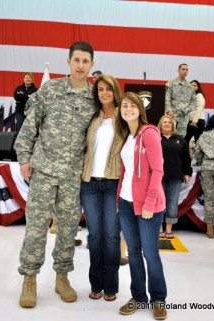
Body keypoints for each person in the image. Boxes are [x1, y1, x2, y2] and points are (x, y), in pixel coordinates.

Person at [14, 41, 95, 308]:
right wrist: (24, 157)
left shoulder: (94, 97)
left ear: (91, 64)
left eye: (86, 61)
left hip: (73, 176)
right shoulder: (51, 90)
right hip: (45, 170)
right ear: (69, 62)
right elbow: (30, 124)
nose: (81, 65)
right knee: (37, 226)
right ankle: (30, 278)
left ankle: (62, 276)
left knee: (68, 228)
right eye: (77, 60)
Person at [116, 92, 167, 320]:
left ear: (140, 108)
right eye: (124, 105)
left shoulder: (150, 133)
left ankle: (158, 299)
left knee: (150, 253)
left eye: (131, 105)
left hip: (149, 205)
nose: (127, 109)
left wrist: (149, 201)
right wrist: (119, 199)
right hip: (126, 203)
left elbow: (158, 171)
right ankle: (138, 297)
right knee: (133, 253)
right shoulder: (127, 135)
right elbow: (126, 171)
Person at [81, 74, 123, 302]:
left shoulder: (123, 117)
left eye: (108, 89)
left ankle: (111, 286)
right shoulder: (93, 118)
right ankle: (96, 283)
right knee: (95, 236)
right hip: (88, 183)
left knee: (111, 236)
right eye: (100, 90)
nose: (104, 93)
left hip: (112, 182)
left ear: (115, 91)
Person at [158, 115, 192, 239]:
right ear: (160, 125)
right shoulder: (156, 138)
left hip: (176, 177)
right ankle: (159, 227)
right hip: (158, 178)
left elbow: (186, 159)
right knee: (159, 203)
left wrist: (187, 173)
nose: (167, 124)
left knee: (172, 203)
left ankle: (168, 229)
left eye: (169, 122)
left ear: (173, 125)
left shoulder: (180, 139)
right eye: (164, 122)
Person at [165, 64, 196, 137]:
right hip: (172, 115)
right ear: (178, 70)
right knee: (169, 135)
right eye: (183, 69)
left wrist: (187, 110)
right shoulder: (171, 83)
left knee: (181, 138)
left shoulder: (190, 86)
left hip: (184, 116)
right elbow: (167, 98)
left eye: (186, 70)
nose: (185, 71)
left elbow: (193, 101)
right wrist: (169, 110)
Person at [185, 80, 206, 144]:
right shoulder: (190, 97)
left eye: (195, 85)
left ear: (198, 87)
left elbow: (200, 107)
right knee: (186, 140)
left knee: (198, 141)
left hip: (197, 121)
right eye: (191, 85)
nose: (193, 87)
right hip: (192, 121)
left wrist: (195, 121)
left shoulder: (199, 95)